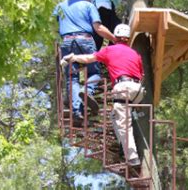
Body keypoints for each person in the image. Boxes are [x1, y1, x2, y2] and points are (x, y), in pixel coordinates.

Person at [61, 24, 144, 167]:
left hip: (122, 87)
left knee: (123, 123)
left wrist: (72, 58)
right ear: (128, 39)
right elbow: (141, 74)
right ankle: (127, 138)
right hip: (138, 90)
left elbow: (88, 59)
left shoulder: (109, 50)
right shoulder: (135, 54)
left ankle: (132, 157)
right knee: (115, 116)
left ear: (115, 37)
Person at [53, 0, 116, 120]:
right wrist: (114, 39)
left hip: (67, 41)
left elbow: (54, 25)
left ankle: (77, 110)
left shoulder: (60, 6)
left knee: (72, 77)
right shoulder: (89, 5)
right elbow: (98, 28)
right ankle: (87, 91)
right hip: (85, 40)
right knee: (94, 72)